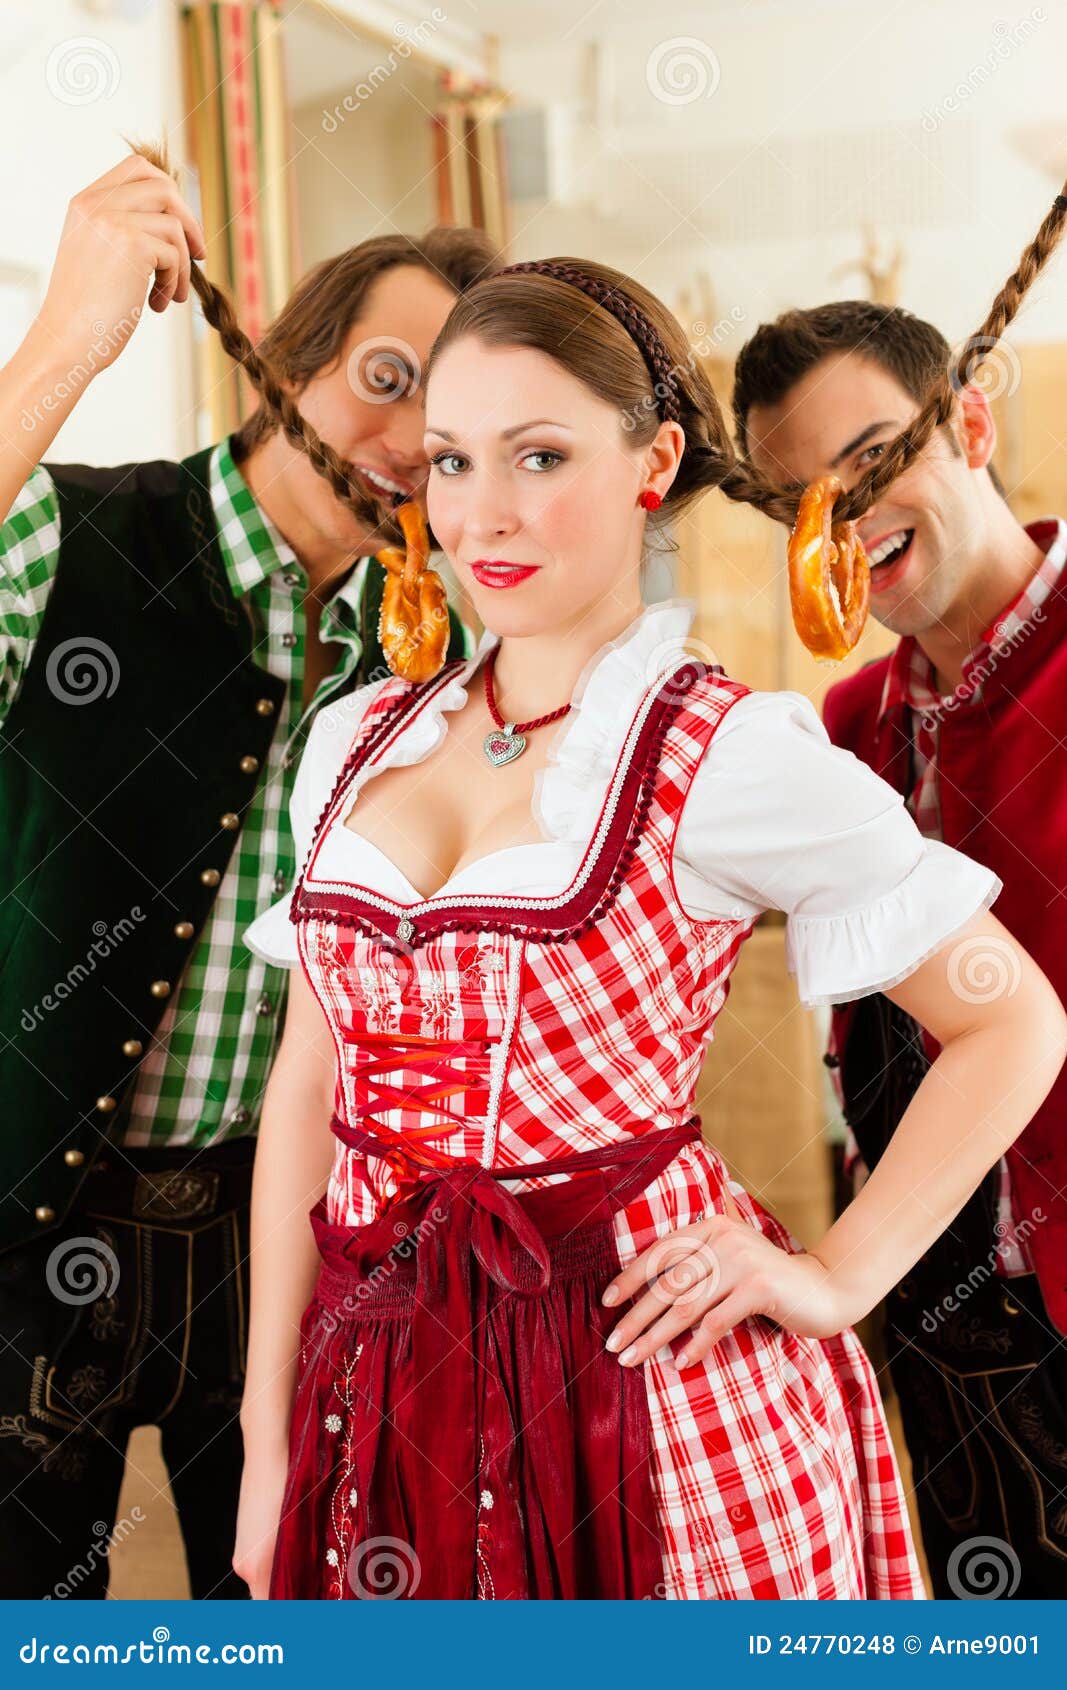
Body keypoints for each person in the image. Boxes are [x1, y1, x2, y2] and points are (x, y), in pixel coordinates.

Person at [236, 256, 1067, 1602]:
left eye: (541, 453)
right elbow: (305, 1089)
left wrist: (833, 1278)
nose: (484, 512)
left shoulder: (728, 749)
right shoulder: (354, 742)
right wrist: (266, 1423)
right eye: (451, 460)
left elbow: (1012, 1016)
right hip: (374, 1380)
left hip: (656, 1401)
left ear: (651, 462)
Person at [0, 146, 497, 1598]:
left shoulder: (431, 671)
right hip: (33, 1225)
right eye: (386, 377)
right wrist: (62, 344)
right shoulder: (62, 528)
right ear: (284, 356)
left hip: (280, 1252)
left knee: (286, 1607)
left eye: (454, 427)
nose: (409, 445)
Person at [733, 298, 1067, 1598]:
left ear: (971, 423)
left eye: (873, 459)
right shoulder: (850, 718)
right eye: (797, 499)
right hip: (951, 1326)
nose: (843, 516)